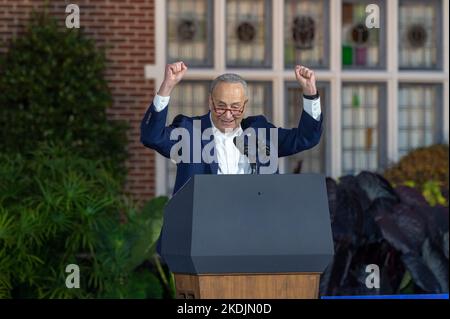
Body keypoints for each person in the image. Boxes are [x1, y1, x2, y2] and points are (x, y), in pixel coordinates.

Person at [141, 61, 323, 195]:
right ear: (210, 102)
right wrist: (167, 87)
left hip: (251, 229)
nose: (228, 114)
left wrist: (310, 94)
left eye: (235, 107)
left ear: (245, 105)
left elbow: (306, 138)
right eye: (221, 106)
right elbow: (152, 136)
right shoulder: (190, 133)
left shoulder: (260, 133)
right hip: (201, 231)